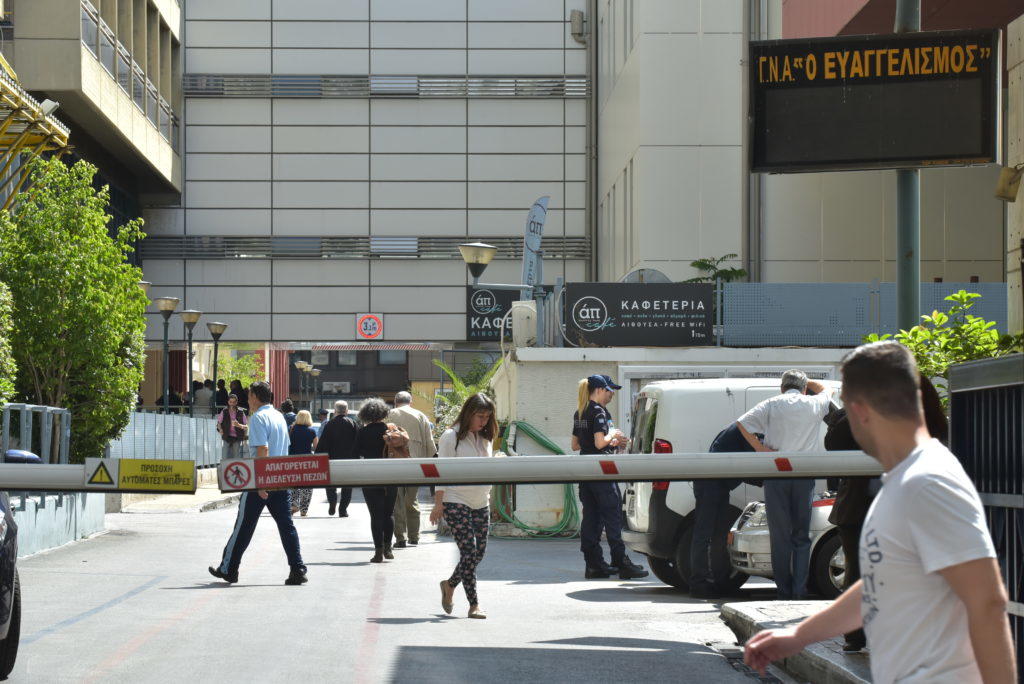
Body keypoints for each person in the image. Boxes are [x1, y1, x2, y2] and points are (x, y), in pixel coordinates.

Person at [745, 341, 1015, 683]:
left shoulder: (928, 482)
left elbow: (987, 601)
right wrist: (799, 637)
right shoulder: (904, 480)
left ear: (859, 412)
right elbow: (877, 584)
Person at [822, 372, 948, 653]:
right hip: (864, 507)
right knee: (861, 572)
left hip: (903, 508)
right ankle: (860, 633)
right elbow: (835, 443)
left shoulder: (923, 416)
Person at [736, 370, 832, 599]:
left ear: (781, 387)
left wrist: (760, 449)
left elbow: (742, 424)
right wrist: (807, 383)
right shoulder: (814, 404)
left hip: (775, 474)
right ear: (804, 388)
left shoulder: (771, 404)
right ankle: (799, 591)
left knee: (780, 537)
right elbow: (827, 390)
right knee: (801, 536)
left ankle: (783, 591)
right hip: (803, 475)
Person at [209, 381, 307, 586]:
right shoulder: (278, 416)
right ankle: (297, 568)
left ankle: (229, 568)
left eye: (249, 395)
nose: (247, 400)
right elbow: (284, 447)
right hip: (280, 477)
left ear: (254, 397)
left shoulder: (258, 418)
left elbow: (262, 450)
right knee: (286, 525)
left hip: (261, 479)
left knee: (243, 525)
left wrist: (261, 483)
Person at [570, 375, 649, 580]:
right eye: (609, 390)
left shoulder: (580, 412)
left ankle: (594, 564)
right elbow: (598, 443)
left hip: (585, 470)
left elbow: (576, 445)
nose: (612, 394)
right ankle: (620, 561)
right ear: (598, 390)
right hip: (601, 469)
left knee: (592, 517)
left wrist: (612, 442)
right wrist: (613, 437)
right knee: (613, 515)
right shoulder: (598, 411)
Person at [430, 393, 497, 620]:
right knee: (469, 551)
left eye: (487, 417)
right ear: (469, 413)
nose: (483, 421)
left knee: (478, 553)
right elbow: (441, 470)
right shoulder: (451, 437)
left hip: (481, 500)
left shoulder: (485, 438)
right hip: (455, 498)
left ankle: (449, 585)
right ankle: (474, 604)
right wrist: (438, 504)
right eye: (480, 416)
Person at [688, 423, 747, 599]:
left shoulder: (742, 430)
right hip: (711, 483)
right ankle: (698, 584)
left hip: (718, 484)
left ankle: (720, 582)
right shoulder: (746, 431)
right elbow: (751, 466)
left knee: (719, 536)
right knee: (704, 535)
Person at [387, 391, 437, 548]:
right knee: (412, 499)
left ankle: (400, 537)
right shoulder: (420, 415)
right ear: (411, 402)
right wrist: (428, 463)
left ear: (396, 402)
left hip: (394, 462)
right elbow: (430, 443)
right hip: (416, 463)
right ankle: (414, 536)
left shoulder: (390, 414)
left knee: (397, 501)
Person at [355, 398, 396, 563]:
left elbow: (355, 452)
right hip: (391, 475)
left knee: (375, 515)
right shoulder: (390, 429)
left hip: (370, 475)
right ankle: (388, 548)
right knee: (389, 513)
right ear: (383, 413)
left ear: (365, 414)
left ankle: (378, 551)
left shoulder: (363, 432)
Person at [315, 401, 359, 517]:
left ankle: (332, 502)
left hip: (332, 460)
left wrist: (317, 456)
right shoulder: (353, 423)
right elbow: (358, 442)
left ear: (335, 411)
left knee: (330, 484)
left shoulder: (330, 424)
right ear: (347, 411)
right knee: (347, 486)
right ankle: (343, 509)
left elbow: (323, 442)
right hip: (349, 460)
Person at [288, 410, 317, 517]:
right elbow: (316, 447)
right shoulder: (312, 431)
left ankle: (294, 505)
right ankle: (304, 509)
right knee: (307, 486)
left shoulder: (291, 429)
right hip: (307, 461)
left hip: (292, 460)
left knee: (293, 483)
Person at [216, 394, 248, 460]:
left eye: (234, 402)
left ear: (236, 402)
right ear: (228, 402)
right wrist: (220, 429)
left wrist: (239, 426)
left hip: (237, 436)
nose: (232, 404)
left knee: (236, 456)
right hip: (226, 436)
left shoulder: (241, 412)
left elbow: (246, 427)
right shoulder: (224, 411)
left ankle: (236, 468)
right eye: (230, 402)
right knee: (224, 456)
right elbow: (219, 423)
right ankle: (225, 469)